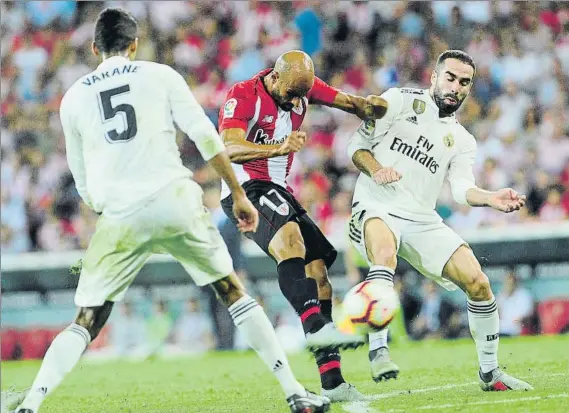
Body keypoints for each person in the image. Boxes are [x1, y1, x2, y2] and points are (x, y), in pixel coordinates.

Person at [9, 9, 330, 413]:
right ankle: (295, 393)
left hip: (120, 213)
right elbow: (208, 139)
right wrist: (238, 193)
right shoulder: (159, 75)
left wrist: (111, 210)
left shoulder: (72, 97)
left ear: (94, 48)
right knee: (232, 290)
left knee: (86, 318)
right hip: (173, 198)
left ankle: (31, 405)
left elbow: (83, 182)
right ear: (135, 44)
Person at [346, 49, 534, 391]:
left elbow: (462, 190)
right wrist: (376, 170)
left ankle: (490, 373)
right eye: (450, 78)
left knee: (478, 282)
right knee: (384, 252)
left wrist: (490, 198)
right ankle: (379, 351)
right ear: (434, 77)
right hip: (377, 203)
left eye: (464, 82)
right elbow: (356, 147)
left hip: (421, 218)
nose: (456, 87)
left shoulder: (462, 139)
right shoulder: (399, 101)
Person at [218, 50, 386, 401]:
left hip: (279, 191)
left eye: (302, 94)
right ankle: (317, 327)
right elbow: (228, 147)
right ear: (275, 77)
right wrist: (279, 147)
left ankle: (333, 381)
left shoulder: (301, 87)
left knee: (319, 272)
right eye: (291, 93)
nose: (296, 100)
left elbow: (349, 102)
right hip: (244, 189)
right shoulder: (244, 94)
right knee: (290, 243)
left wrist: (376, 107)